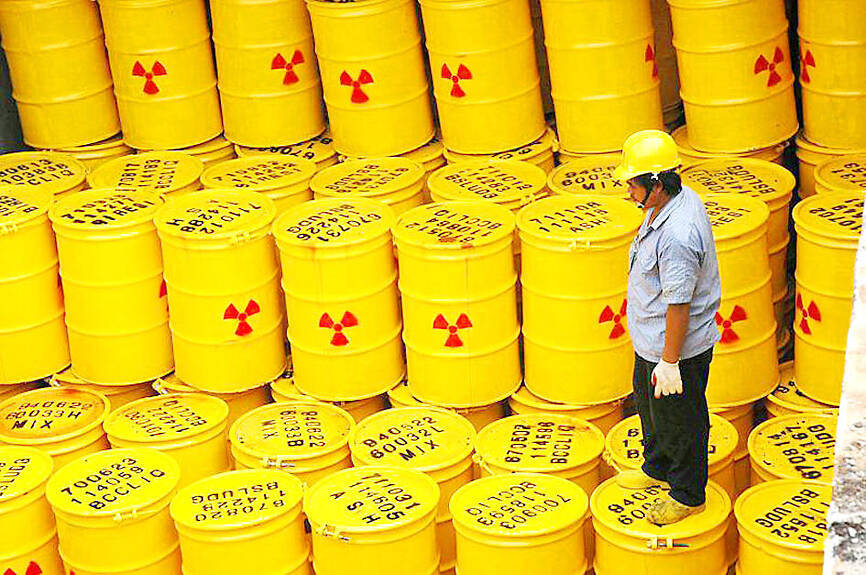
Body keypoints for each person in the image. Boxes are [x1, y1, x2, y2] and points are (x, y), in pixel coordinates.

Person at [612, 130, 722, 525]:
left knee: (681, 420)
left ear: (657, 184)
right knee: (650, 408)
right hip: (651, 341)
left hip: (674, 349)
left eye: (633, 184)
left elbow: (679, 304)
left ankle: (688, 494)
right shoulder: (673, 201)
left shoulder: (678, 235)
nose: (629, 192)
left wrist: (671, 362)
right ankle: (657, 465)